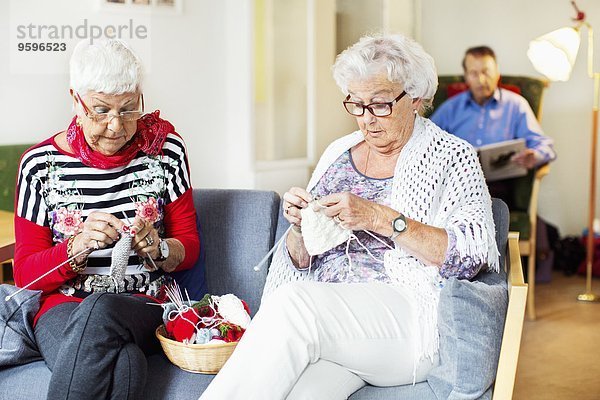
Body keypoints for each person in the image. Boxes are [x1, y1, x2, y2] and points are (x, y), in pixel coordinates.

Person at [200, 33, 499, 400]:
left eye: (380, 105)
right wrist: (298, 228)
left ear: (417, 98)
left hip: (407, 322)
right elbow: (300, 259)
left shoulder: (453, 156)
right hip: (333, 328)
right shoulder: (337, 153)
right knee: (301, 393)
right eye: (355, 104)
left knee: (294, 303)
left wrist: (382, 218)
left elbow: (472, 255)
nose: (366, 119)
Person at [13, 39, 200, 399]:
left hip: (144, 304)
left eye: (129, 109)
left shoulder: (167, 152)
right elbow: (25, 273)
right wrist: (75, 248)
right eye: (101, 110)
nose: (116, 126)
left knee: (102, 309)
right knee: (127, 364)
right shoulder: (39, 166)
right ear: (75, 100)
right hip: (63, 305)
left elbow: (189, 246)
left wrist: (159, 249)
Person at [430, 45, 556, 170]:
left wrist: (534, 156)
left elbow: (545, 146)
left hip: (501, 186)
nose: (481, 80)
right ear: (466, 77)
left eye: (486, 72)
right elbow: (424, 142)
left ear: (497, 72)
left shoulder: (516, 105)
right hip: (456, 185)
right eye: (474, 73)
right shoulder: (450, 108)